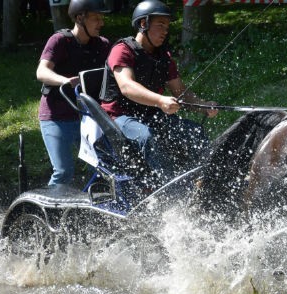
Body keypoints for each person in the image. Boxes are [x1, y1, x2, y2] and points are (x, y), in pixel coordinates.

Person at [100, 0, 218, 184]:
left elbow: (180, 92)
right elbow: (127, 87)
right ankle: (172, 192)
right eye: (160, 25)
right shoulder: (122, 50)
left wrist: (203, 105)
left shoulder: (164, 56)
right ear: (143, 24)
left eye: (167, 26)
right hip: (119, 117)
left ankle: (205, 182)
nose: (165, 31)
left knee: (195, 132)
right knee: (148, 137)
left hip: (149, 114)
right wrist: (160, 101)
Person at [36, 0, 110, 186]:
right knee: (63, 171)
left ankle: (94, 209)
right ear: (79, 18)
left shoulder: (102, 45)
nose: (101, 23)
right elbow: (41, 72)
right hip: (56, 116)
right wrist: (65, 81)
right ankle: (50, 212)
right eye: (95, 18)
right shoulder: (60, 40)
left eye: (101, 18)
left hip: (88, 116)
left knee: (103, 168)